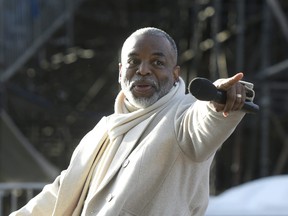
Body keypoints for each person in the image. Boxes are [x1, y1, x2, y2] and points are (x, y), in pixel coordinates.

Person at [10, 27, 255, 216]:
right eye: (133, 62)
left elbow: (204, 120)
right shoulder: (103, 130)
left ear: (175, 74)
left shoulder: (183, 114)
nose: (143, 70)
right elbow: (61, 192)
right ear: (120, 72)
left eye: (157, 63)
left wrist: (218, 100)